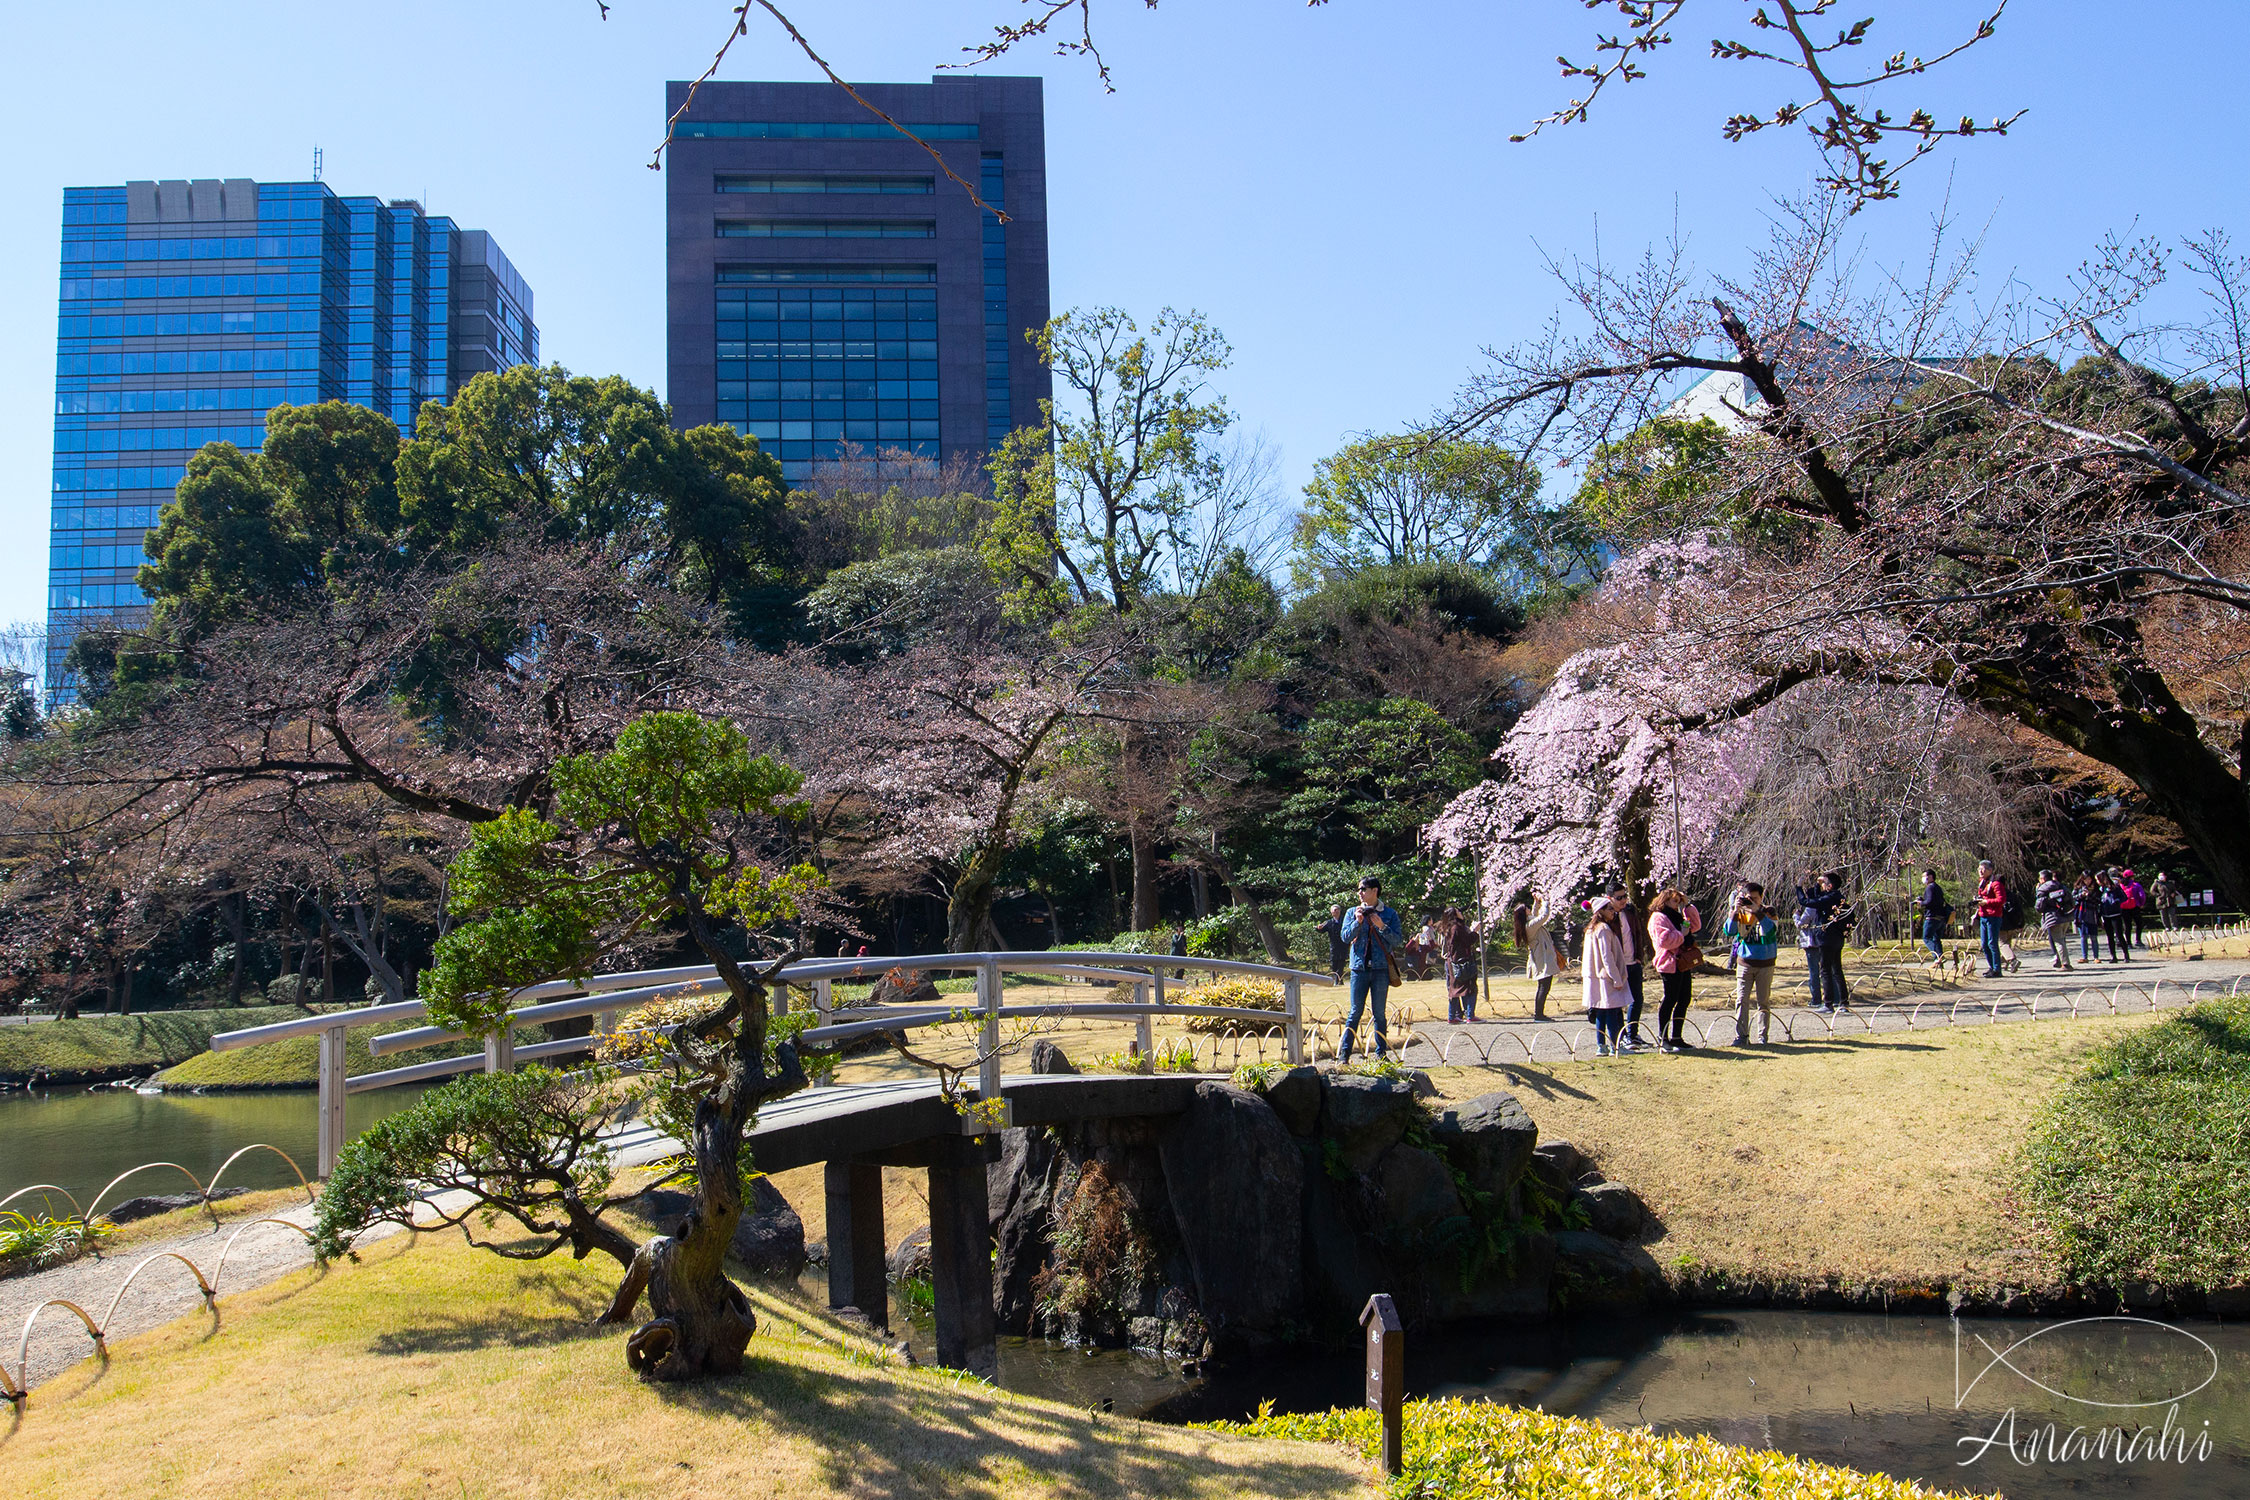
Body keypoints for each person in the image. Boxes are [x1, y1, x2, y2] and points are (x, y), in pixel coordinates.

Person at [1339, 876, 1401, 1062]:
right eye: (1358, 889)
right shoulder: (1352, 912)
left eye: (1363, 889)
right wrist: (1357, 922)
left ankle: (1381, 1054)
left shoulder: (1389, 913)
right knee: (1355, 1011)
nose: (1360, 893)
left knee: (1379, 1013)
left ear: (1375, 891)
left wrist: (1381, 926)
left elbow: (1397, 940)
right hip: (1359, 968)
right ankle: (1344, 1054)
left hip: (1381, 969)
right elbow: (1344, 937)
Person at [1722, 884, 1779, 1045]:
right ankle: (1741, 1036)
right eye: (1749, 898)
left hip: (1765, 963)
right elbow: (1729, 931)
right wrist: (1734, 910)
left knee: (1763, 1001)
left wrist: (1757, 911)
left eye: (1755, 898)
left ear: (1761, 898)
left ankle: (1763, 1035)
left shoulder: (1769, 912)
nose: (1751, 901)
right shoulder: (1739, 913)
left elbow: (1771, 931)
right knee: (1741, 999)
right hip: (1745, 962)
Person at [1647, 886, 1703, 1053]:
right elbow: (1664, 941)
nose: (1676, 904)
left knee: (1684, 998)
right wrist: (1681, 934)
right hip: (1669, 963)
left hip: (1683, 962)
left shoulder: (1678, 916)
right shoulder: (1658, 918)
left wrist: (1688, 906)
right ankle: (1663, 1037)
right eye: (1675, 901)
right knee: (1670, 999)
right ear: (1665, 900)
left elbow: (1695, 925)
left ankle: (1677, 1037)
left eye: (1679, 901)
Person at [1580, 896, 1632, 1056]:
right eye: (1609, 909)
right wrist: (1616, 977)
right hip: (1605, 977)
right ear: (1600, 911)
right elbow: (1606, 956)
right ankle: (1615, 1045)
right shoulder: (1603, 929)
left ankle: (1601, 1045)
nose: (1613, 912)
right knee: (1610, 1011)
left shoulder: (1591, 929)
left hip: (1595, 976)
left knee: (1601, 1012)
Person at [1608, 883, 1649, 1050]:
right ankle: (1621, 1036)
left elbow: (1638, 934)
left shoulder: (1630, 911)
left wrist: (1639, 956)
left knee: (1637, 999)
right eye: (1619, 898)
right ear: (1609, 898)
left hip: (1633, 962)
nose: (1623, 900)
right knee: (1618, 1001)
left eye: (1625, 896)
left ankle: (1632, 1033)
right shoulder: (1608, 915)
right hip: (1619, 964)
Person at [1517, 893, 1565, 1020]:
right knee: (1544, 986)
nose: (1528, 909)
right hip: (1541, 959)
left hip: (1542, 957)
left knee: (1543, 986)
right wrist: (1545, 903)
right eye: (1526, 908)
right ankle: (1539, 1014)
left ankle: (1539, 1014)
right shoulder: (1530, 926)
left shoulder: (1528, 924)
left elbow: (1535, 916)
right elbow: (1543, 916)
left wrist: (1536, 904)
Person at [1439, 907, 1480, 1023]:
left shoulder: (1447, 928)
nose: (1461, 913)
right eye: (1459, 912)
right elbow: (1468, 941)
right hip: (1463, 961)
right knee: (1470, 986)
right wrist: (1475, 931)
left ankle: (1452, 1016)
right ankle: (1470, 1015)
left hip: (1452, 961)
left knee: (1454, 988)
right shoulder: (1457, 928)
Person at [2033, 869, 2073, 971]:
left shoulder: (2043, 889)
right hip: (2066, 915)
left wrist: (2038, 891)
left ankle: (2066, 964)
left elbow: (2039, 906)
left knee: (2058, 940)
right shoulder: (2060, 885)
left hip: (2053, 917)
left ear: (2043, 878)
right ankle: (2060, 961)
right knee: (2061, 939)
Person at [1974, 861, 2008, 978]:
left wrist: (1987, 902)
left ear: (1990, 870)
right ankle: (1991, 967)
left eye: (1983, 869)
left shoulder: (1996, 884)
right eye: (1979, 869)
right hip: (1983, 915)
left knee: (1992, 943)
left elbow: (2001, 900)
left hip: (1993, 916)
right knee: (1984, 944)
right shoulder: (1982, 883)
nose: (1980, 871)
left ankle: (1997, 969)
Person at [1916, 868, 1951, 966]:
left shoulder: (1930, 887)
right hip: (1941, 917)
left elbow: (1930, 901)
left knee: (1927, 938)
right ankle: (1939, 961)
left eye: (1924, 876)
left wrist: (1921, 903)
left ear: (1931, 877)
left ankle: (1938, 956)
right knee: (1936, 938)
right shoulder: (1937, 887)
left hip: (1932, 917)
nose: (1923, 879)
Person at [2098, 871, 2129, 962]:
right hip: (2105, 914)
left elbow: (2124, 897)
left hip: (2115, 914)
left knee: (2119, 935)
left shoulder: (2115, 887)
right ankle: (2113, 956)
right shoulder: (2101, 889)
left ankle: (2126, 954)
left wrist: (2116, 901)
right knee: (2109, 936)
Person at [2072, 873, 2102, 964]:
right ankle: (2084, 956)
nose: (2088, 881)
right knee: (2083, 937)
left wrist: (2090, 895)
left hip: (2092, 913)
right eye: (2086, 879)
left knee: (2094, 937)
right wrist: (2082, 895)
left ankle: (2096, 957)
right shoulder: (2078, 888)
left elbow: (2099, 900)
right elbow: (2073, 898)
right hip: (2081, 914)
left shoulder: (2096, 889)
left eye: (2089, 879)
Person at [2119, 869, 2146, 949]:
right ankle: (2138, 940)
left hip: (2123, 908)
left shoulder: (2120, 886)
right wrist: (2141, 904)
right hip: (2135, 906)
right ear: (2132, 877)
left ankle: (2128, 943)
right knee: (2139, 923)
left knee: (2127, 926)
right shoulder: (2136, 885)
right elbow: (2142, 895)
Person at [1319, 906, 1347, 982]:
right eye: (1334, 910)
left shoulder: (1345, 921)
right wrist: (1319, 928)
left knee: (1341, 964)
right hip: (1334, 947)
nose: (1336, 911)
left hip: (1343, 945)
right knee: (1334, 964)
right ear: (1331, 912)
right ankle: (1336, 980)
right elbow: (1322, 930)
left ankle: (1339, 980)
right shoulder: (1329, 922)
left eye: (1337, 910)